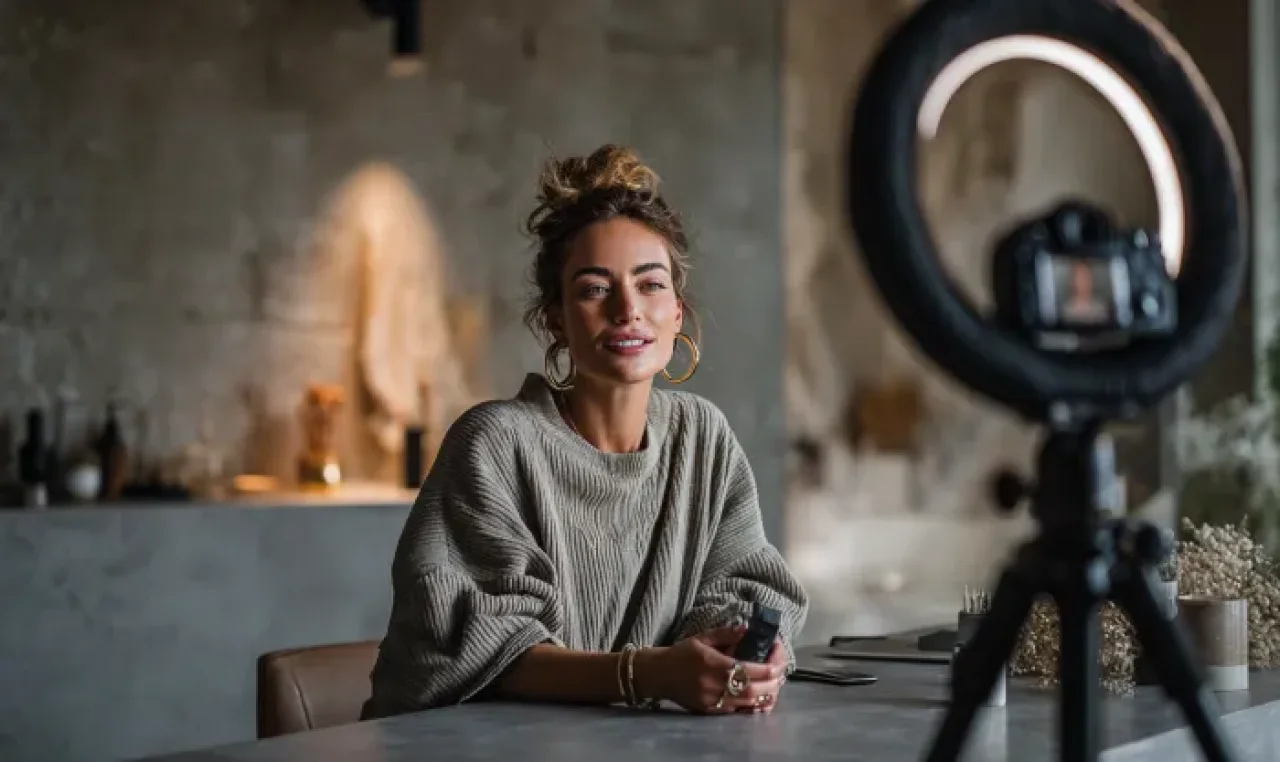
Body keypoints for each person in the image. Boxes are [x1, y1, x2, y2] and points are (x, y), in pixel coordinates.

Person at [363, 144, 810, 719]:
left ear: (678, 312)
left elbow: (746, 585)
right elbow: (471, 644)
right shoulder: (495, 444)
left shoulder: (703, 437)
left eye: (650, 285)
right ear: (556, 317)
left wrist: (743, 647)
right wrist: (650, 672)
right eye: (595, 289)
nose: (628, 310)